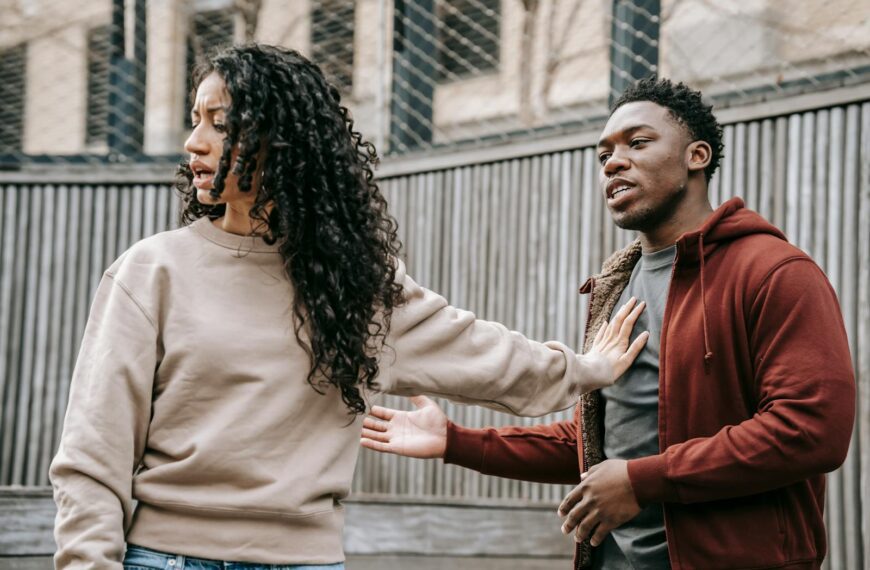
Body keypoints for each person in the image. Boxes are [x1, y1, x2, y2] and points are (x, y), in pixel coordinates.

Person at [48, 44, 649, 570]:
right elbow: (92, 457)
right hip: (167, 559)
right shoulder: (152, 271)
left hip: (306, 562)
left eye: (218, 123)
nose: (193, 142)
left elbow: (482, 352)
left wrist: (588, 366)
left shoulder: (354, 287)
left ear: (281, 139)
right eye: (194, 120)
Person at [361, 78, 856, 570]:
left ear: (697, 156)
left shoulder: (773, 272)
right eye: (604, 156)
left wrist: (642, 481)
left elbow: (811, 429)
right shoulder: (618, 285)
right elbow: (598, 442)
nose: (614, 162)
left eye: (638, 143)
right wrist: (456, 441)